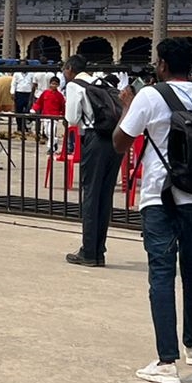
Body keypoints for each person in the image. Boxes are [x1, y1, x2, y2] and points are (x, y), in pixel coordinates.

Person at [113, 38, 192, 383]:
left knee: (161, 274)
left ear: (161, 64)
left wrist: (127, 107)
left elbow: (121, 140)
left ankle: (165, 361)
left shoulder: (150, 95)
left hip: (160, 195)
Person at [64, 54, 121, 268]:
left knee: (90, 195)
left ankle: (88, 251)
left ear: (70, 68)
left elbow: (71, 118)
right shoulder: (101, 82)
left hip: (95, 138)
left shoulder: (74, 86)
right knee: (105, 196)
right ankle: (99, 250)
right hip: (114, 140)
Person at [12, 67, 38, 132]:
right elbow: (13, 84)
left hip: (28, 93)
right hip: (19, 93)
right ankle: (19, 127)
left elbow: (33, 84)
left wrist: (33, 94)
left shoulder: (32, 74)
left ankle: (26, 126)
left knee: (28, 111)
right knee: (18, 111)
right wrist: (12, 93)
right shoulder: (16, 74)